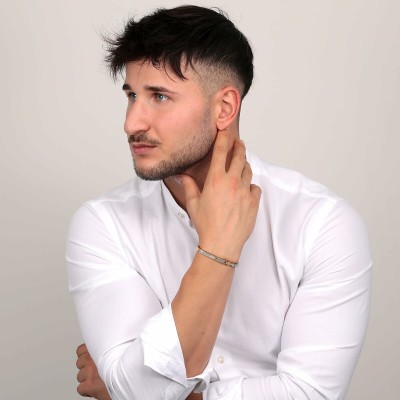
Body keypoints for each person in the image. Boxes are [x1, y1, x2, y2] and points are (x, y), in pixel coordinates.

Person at [67, 5, 372, 400]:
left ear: (224, 108)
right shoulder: (104, 223)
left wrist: (138, 391)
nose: (132, 123)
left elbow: (311, 395)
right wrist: (218, 249)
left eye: (159, 96)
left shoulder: (322, 223)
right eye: (132, 96)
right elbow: (137, 389)